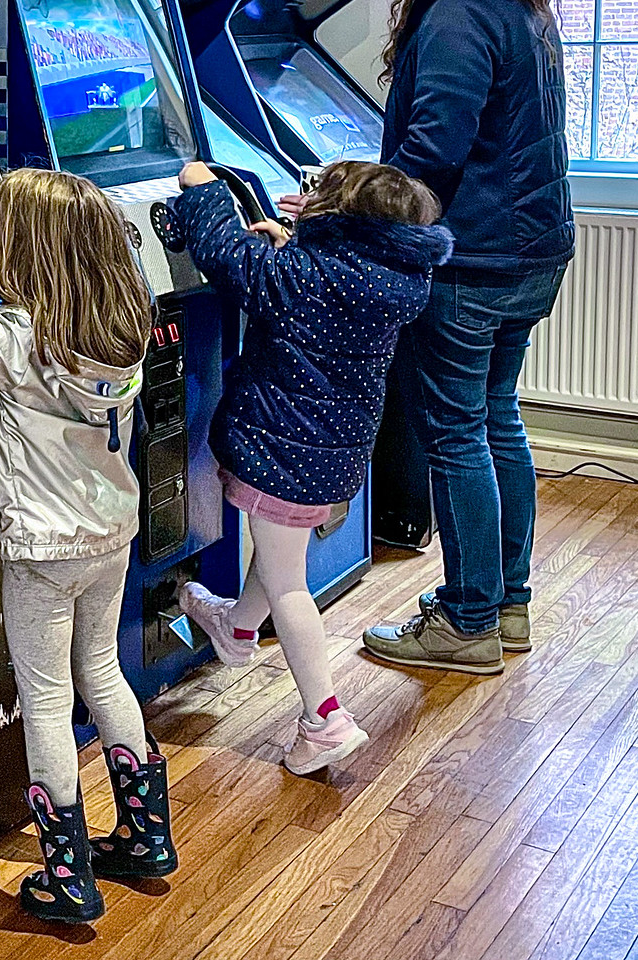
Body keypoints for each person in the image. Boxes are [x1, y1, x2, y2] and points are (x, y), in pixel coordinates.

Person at [292, 0, 572, 676]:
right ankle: (505, 603)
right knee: (494, 418)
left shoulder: (455, 15)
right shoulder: (521, 2)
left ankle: (466, 620)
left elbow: (430, 157)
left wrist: (338, 207)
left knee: (456, 432)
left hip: (474, 259)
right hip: (531, 249)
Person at [0, 168, 176, 925]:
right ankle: (147, 837)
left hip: (42, 546)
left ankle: (67, 876)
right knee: (103, 671)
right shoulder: (118, 316)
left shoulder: (19, 339)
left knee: (47, 699)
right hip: (111, 529)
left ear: (26, 249)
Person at [170, 159, 452, 773]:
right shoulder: (392, 281)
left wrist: (201, 186)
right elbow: (321, 283)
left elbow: (225, 256)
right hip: (334, 454)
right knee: (279, 557)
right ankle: (237, 630)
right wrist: (292, 242)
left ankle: (325, 718)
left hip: (280, 451)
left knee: (289, 583)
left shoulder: (301, 277)